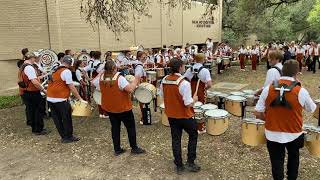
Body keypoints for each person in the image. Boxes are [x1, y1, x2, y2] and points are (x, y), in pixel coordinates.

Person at [255, 60, 316, 180]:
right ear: (297, 72)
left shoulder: (268, 89)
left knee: (276, 161)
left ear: (282, 71)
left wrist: (268, 120)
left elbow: (257, 112)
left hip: (272, 133)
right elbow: (311, 108)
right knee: (294, 158)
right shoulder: (301, 91)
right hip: (294, 133)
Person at [95, 60, 146, 156]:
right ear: (114, 68)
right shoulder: (119, 78)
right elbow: (130, 89)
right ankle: (134, 147)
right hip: (123, 108)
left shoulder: (101, 77)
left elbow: (93, 83)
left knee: (115, 128)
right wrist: (136, 79)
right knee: (130, 128)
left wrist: (101, 73)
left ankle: (117, 149)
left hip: (110, 108)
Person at [161, 58, 200, 175]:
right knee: (193, 134)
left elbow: (162, 95)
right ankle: (190, 162)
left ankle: (179, 165)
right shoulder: (184, 83)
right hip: (184, 116)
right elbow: (188, 103)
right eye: (183, 66)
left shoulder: (164, 80)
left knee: (176, 139)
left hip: (172, 115)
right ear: (180, 67)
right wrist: (194, 99)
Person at [47, 55, 83, 143]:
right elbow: (71, 86)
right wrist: (79, 98)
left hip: (50, 98)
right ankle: (68, 136)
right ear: (70, 64)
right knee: (66, 117)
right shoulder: (66, 71)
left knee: (57, 119)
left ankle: (63, 136)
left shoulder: (55, 69)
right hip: (60, 99)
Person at [18, 52, 48, 135]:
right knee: (37, 110)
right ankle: (38, 129)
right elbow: (34, 82)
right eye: (35, 58)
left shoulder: (23, 66)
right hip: (32, 92)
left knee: (31, 110)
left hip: (26, 92)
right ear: (32, 58)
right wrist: (43, 90)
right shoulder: (29, 68)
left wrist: (39, 77)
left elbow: (29, 79)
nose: (36, 59)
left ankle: (34, 127)